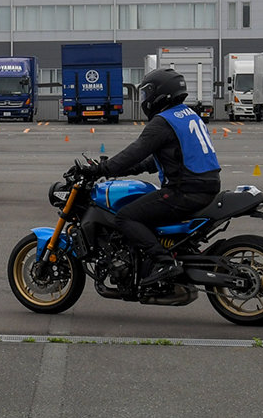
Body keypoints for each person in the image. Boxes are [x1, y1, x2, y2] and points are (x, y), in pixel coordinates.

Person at [90, 67, 221, 288]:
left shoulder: (162, 122)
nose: (145, 99)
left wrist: (102, 169)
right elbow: (155, 160)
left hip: (184, 191)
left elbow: (135, 152)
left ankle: (164, 263)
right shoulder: (189, 115)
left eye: (147, 92)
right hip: (205, 187)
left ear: (159, 93)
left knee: (125, 217)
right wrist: (119, 169)